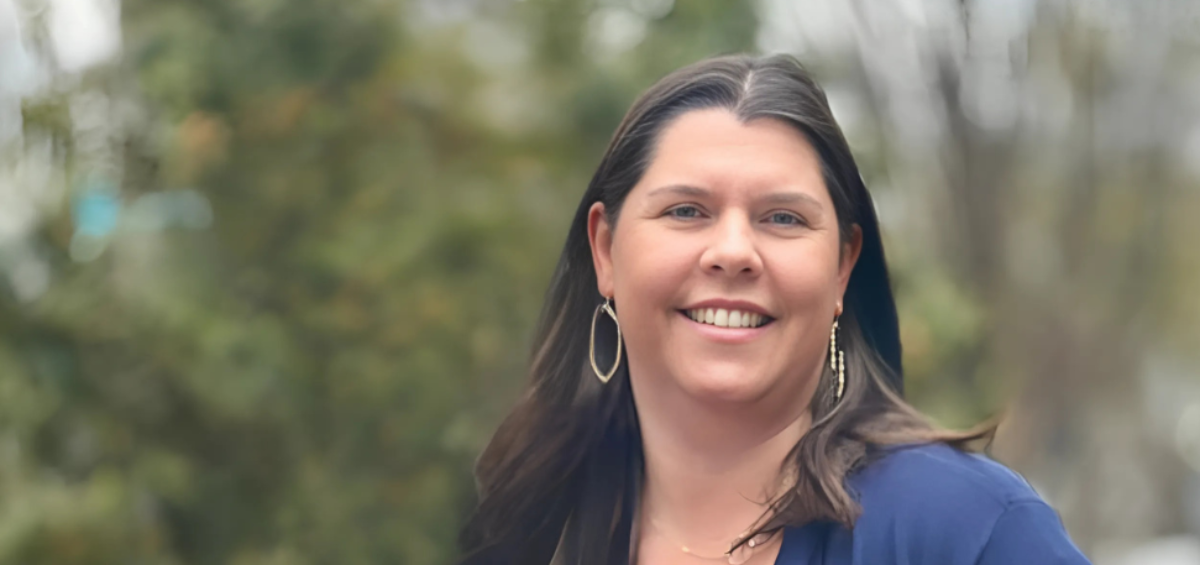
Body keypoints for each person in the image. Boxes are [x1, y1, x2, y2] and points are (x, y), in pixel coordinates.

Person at [459, 54, 1090, 565]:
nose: (733, 252)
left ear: (842, 266)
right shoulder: (530, 528)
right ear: (605, 251)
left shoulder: (963, 527)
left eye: (782, 218)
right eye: (686, 211)